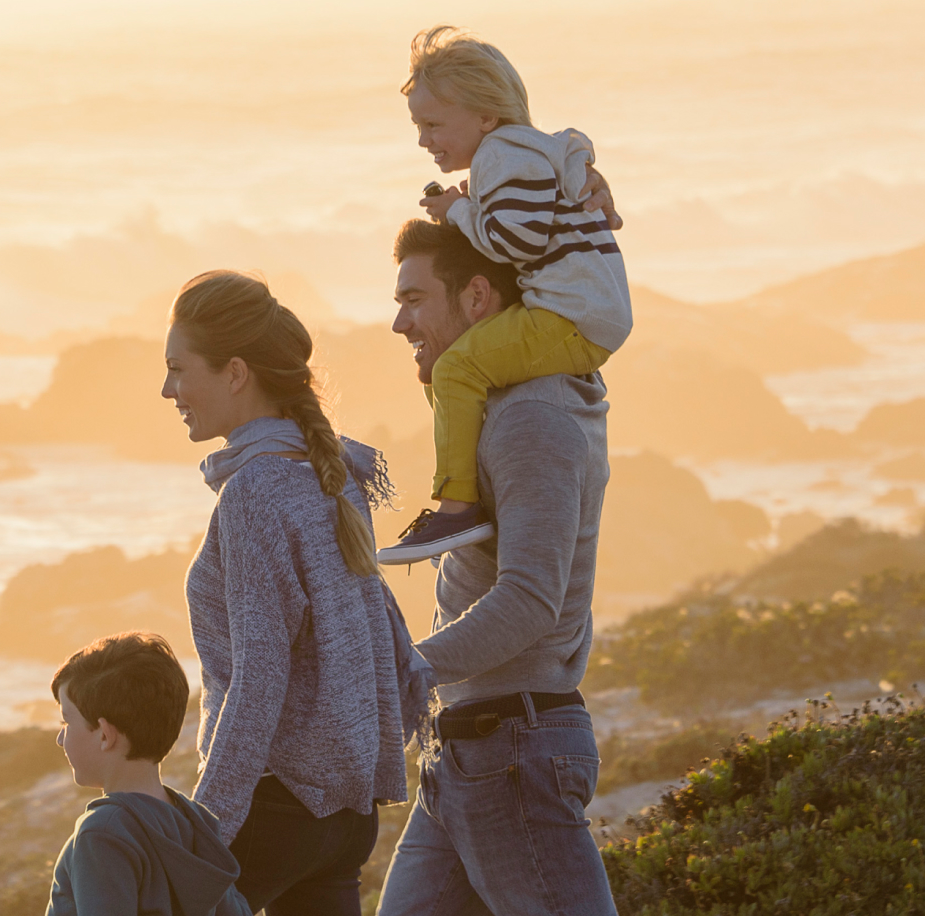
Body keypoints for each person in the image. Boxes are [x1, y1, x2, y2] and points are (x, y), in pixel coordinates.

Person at [163, 271, 428, 916]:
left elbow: (260, 673)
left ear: (234, 372)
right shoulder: (328, 473)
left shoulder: (254, 491)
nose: (168, 390)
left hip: (276, 806)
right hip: (343, 814)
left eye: (178, 369)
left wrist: (208, 825)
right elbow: (379, 622)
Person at [375, 220, 617, 916]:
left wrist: (404, 672)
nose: (399, 321)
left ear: (478, 297)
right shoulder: (501, 406)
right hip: (472, 754)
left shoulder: (530, 420)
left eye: (415, 298)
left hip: (512, 750)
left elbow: (530, 600)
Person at [377, 25, 632, 566]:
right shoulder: (522, 153)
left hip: (571, 317)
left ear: (486, 117)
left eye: (433, 124)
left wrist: (457, 212)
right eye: (419, 125)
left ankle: (457, 507)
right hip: (580, 312)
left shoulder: (501, 156)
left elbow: (518, 240)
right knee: (457, 372)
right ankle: (472, 479)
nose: (423, 139)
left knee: (454, 371)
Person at [44, 632, 251, 916]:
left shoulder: (102, 833)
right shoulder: (196, 823)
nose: (59, 738)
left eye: (66, 722)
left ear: (105, 735)